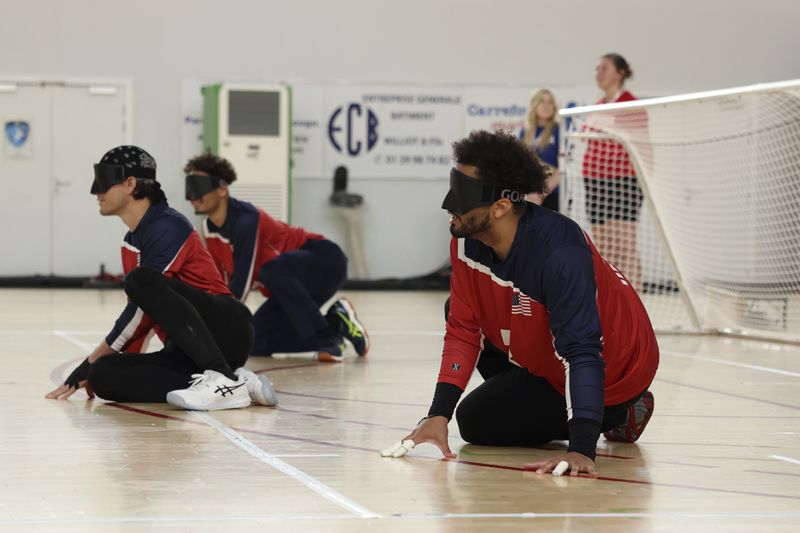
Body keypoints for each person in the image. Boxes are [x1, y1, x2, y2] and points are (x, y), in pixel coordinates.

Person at [383, 131, 658, 477]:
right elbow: (464, 330)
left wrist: (582, 447)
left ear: (500, 207)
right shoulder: (467, 242)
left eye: (462, 195)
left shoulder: (559, 253)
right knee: (456, 309)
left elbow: (583, 351)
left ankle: (622, 412)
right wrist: (438, 414)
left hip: (616, 369)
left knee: (478, 423)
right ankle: (549, 401)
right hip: (549, 352)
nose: (449, 205)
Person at [45, 145, 277, 411]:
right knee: (103, 377)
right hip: (185, 350)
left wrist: (90, 359)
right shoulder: (131, 242)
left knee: (140, 280)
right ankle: (238, 382)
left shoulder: (168, 225)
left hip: (226, 327)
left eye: (104, 181)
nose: (96, 191)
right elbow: (144, 315)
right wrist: (100, 368)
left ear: (130, 183)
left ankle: (221, 375)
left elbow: (140, 303)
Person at [184, 153, 368, 363]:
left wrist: (220, 328)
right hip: (290, 287)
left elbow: (243, 281)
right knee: (255, 341)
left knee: (271, 270)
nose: (192, 196)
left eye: (198, 186)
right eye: (189, 187)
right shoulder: (208, 228)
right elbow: (221, 284)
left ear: (222, 188)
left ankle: (326, 341)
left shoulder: (246, 219)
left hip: (324, 261)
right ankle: (336, 324)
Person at [583, 53, 644, 289]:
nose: (598, 73)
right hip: (595, 182)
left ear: (620, 73)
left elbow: (642, 144)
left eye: (604, 68)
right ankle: (612, 298)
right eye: (596, 68)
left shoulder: (631, 104)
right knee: (604, 245)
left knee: (626, 243)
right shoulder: (597, 106)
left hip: (623, 181)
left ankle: (634, 300)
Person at [520, 89, 560, 211]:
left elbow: (563, 169)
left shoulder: (558, 130)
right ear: (534, 105)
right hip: (529, 195)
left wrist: (541, 194)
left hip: (552, 193)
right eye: (542, 101)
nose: (547, 105)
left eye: (550, 102)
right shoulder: (525, 131)